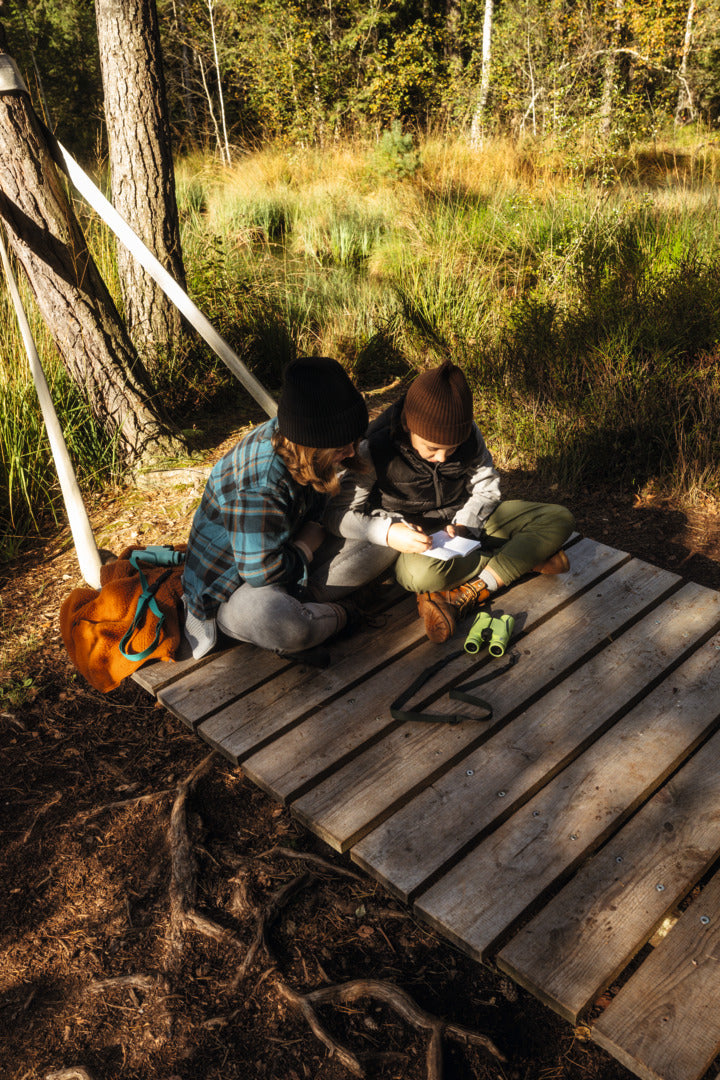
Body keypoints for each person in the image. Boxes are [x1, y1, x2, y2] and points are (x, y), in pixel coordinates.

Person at [326, 359, 575, 643]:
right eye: (432, 449)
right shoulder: (376, 449)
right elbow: (337, 514)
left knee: (558, 518)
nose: (443, 457)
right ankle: (520, 559)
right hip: (418, 542)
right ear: (409, 425)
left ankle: (471, 588)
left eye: (452, 448)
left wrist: (466, 523)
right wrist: (389, 531)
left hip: (465, 522)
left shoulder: (470, 435)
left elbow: (486, 487)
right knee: (416, 576)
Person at [181, 357, 397, 660]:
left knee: (387, 539)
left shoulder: (301, 442)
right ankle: (342, 615)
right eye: (340, 448)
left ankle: (311, 613)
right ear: (311, 445)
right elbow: (259, 573)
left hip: (292, 561)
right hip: (236, 589)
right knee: (281, 623)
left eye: (354, 441)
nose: (350, 452)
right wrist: (306, 548)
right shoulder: (261, 484)